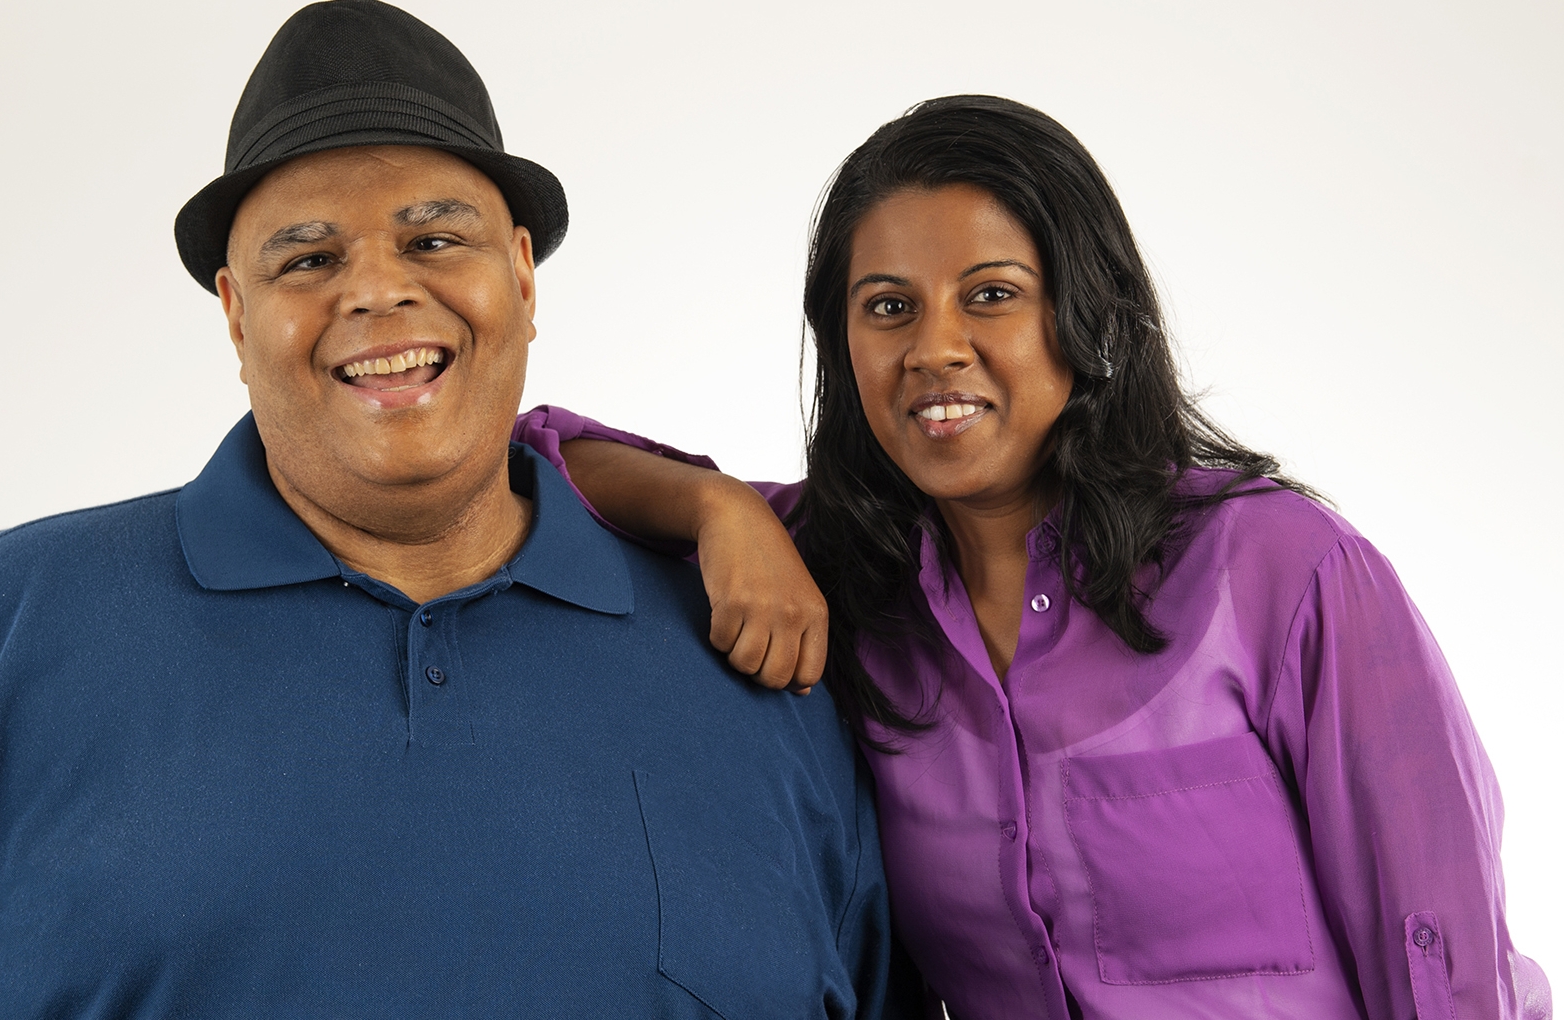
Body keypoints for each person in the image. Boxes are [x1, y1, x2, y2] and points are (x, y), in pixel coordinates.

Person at [0, 4, 901, 1018]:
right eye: (307, 260)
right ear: (233, 316)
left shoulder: (755, 665)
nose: (376, 292)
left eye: (434, 238)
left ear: (521, 273)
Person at [517, 95, 1551, 1019]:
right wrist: (718, 511)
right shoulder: (848, 581)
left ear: (1083, 311)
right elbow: (536, 457)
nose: (933, 347)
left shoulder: (1281, 568)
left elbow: (1442, 955)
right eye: (887, 308)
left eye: (991, 293)